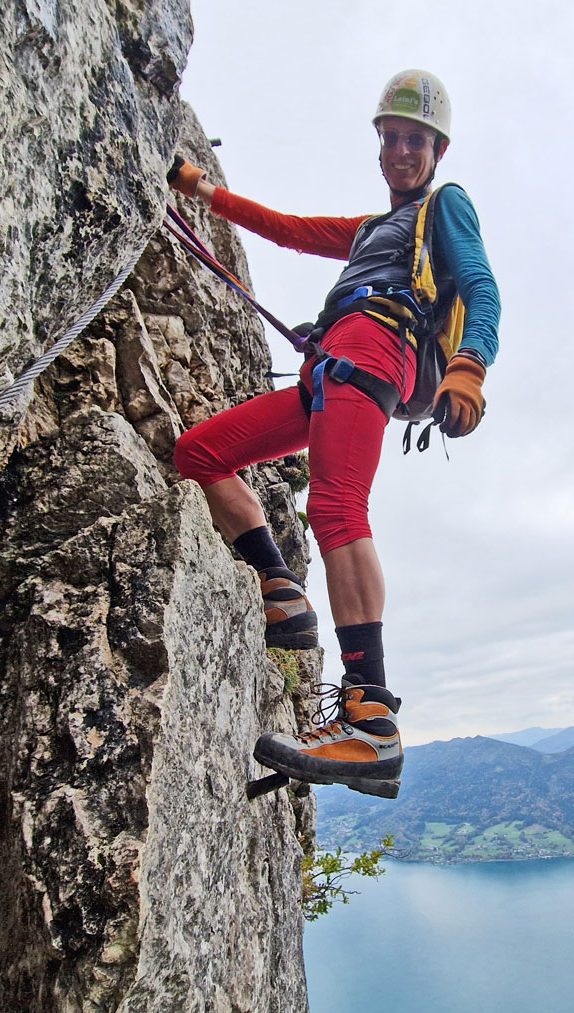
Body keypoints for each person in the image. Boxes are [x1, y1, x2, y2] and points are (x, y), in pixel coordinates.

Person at [169, 69, 501, 798]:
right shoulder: (365, 231)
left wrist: (471, 364)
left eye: (417, 140)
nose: (404, 151)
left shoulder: (445, 206)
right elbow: (284, 230)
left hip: (376, 348)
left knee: (335, 507)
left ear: (436, 150)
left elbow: (480, 285)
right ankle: (281, 590)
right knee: (200, 453)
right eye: (393, 139)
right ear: (380, 147)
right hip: (327, 366)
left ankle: (370, 719)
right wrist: (198, 190)